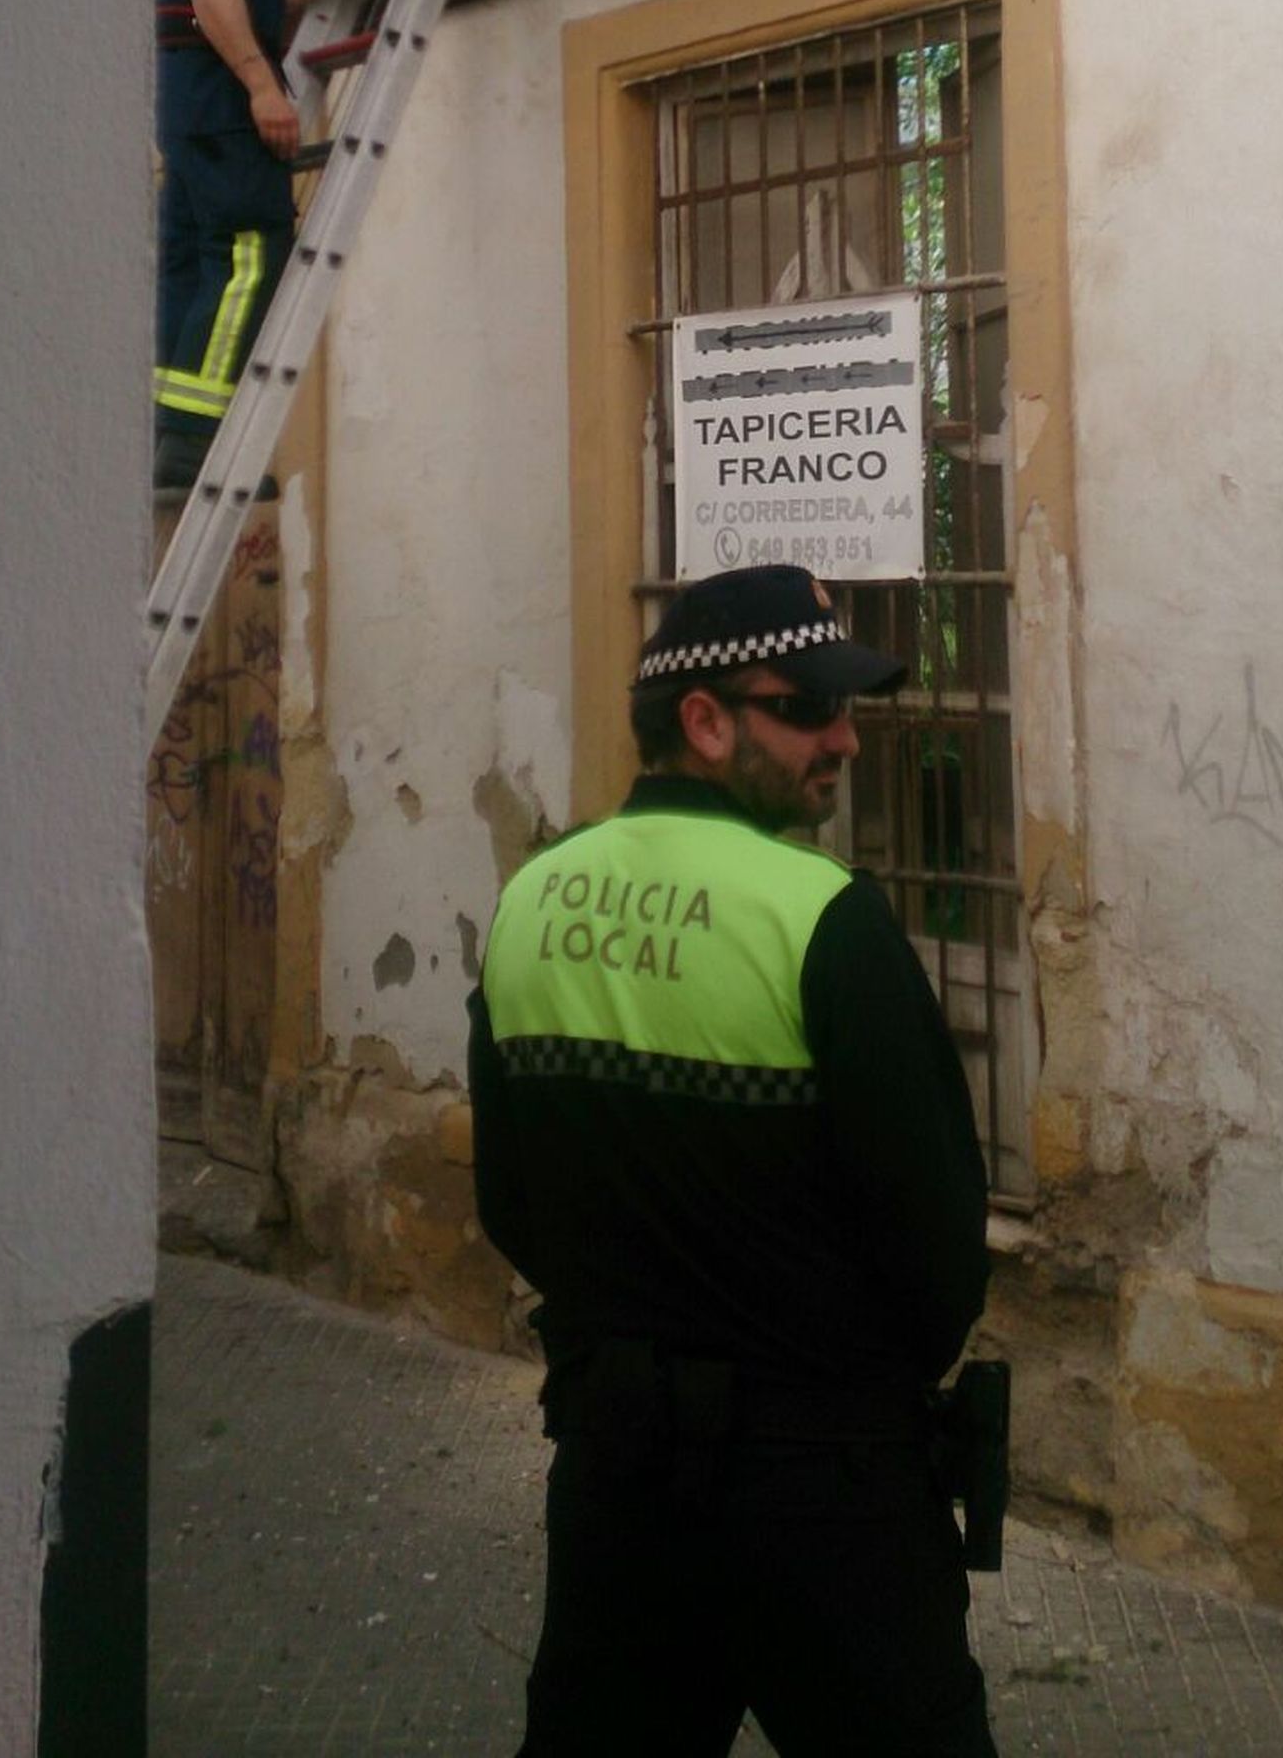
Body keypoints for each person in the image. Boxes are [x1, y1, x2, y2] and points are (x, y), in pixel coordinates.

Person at [468, 563, 998, 1758]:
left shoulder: (528, 903)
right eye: (811, 708)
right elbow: (937, 1254)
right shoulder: (821, 918)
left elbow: (511, 1203)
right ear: (704, 721)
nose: (846, 740)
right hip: (832, 1497)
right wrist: (840, 1395)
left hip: (616, 1485)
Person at [151, 0, 394, 493]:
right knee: (251, 254)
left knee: (194, 268)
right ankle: (203, 443)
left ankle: (177, 433)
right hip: (219, 98)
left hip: (195, 97)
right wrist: (262, 86)